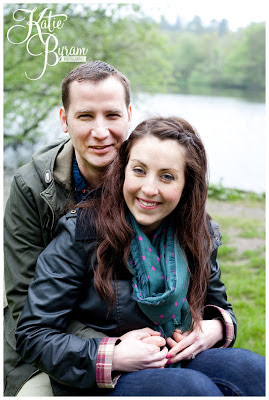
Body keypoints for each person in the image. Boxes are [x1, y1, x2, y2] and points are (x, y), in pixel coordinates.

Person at [15, 116, 265, 396]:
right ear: (123, 172)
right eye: (139, 171)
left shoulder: (199, 233)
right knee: (191, 389)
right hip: (103, 375)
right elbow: (33, 335)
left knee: (254, 371)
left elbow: (220, 307)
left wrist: (215, 328)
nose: (149, 188)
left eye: (167, 176)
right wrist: (113, 355)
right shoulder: (82, 232)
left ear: (187, 184)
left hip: (178, 357)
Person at [4, 60, 132, 396]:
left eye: (112, 115)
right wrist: (111, 349)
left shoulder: (148, 181)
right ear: (65, 120)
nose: (101, 132)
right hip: (47, 346)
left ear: (129, 115)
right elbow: (24, 304)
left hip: (138, 343)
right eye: (86, 116)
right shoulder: (31, 187)